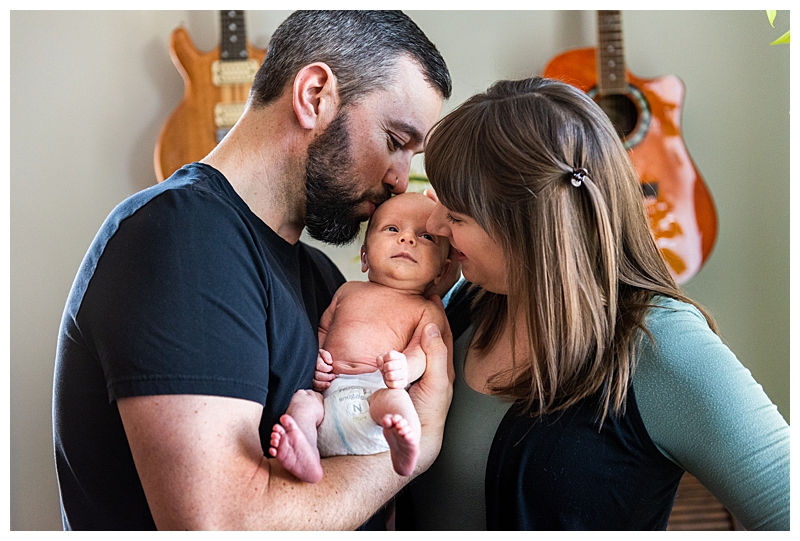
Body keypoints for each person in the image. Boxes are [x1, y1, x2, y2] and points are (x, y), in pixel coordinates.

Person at [52, 11, 457, 530]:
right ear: (314, 96)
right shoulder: (182, 236)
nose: (400, 181)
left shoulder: (320, 277)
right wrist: (418, 449)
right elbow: (225, 523)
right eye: (396, 141)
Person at [396, 76, 790, 530]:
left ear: (533, 229)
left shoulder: (664, 346)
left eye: (457, 215)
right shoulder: (464, 304)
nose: (436, 224)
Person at [269, 192, 451, 483]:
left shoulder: (426, 309)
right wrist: (319, 358)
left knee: (394, 401)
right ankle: (303, 447)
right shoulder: (347, 291)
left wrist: (405, 368)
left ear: (442, 270)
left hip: (376, 402)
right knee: (304, 401)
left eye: (426, 236)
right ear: (365, 256)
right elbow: (324, 330)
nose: (407, 239)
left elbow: (424, 352)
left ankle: (404, 441)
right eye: (392, 229)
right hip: (329, 398)